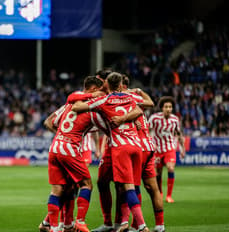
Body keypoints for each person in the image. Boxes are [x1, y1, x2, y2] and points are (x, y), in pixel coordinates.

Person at [72, 72, 151, 232]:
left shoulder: (104, 99)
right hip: (136, 146)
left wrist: (87, 97)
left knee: (127, 187)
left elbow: (76, 107)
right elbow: (144, 107)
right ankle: (124, 224)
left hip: (120, 147)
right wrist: (126, 116)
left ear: (107, 83)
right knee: (130, 185)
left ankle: (140, 226)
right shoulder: (130, 97)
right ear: (121, 83)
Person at [45, 76, 112, 232]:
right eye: (101, 91)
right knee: (86, 185)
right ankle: (80, 221)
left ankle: (54, 228)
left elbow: (51, 122)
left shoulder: (69, 104)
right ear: (94, 90)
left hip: (55, 147)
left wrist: (62, 135)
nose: (103, 95)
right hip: (70, 149)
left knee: (59, 190)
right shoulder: (91, 109)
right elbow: (109, 129)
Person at [121, 75, 165, 232]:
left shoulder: (122, 99)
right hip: (149, 147)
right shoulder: (136, 98)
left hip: (137, 148)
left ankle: (135, 224)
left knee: (131, 186)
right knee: (153, 188)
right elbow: (151, 103)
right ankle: (160, 226)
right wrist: (139, 91)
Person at [149, 96, 186, 203]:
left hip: (170, 148)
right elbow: (146, 131)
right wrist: (150, 142)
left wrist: (182, 148)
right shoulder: (154, 118)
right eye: (166, 107)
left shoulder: (175, 119)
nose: (168, 109)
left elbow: (179, 134)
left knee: (170, 168)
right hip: (157, 150)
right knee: (158, 173)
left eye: (170, 107)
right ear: (162, 108)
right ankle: (160, 193)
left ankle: (169, 196)